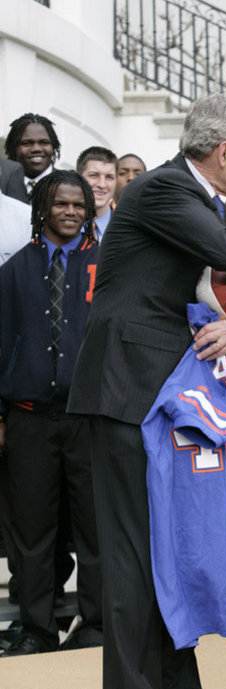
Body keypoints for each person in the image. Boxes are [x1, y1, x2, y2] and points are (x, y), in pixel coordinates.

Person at [67, 93, 226, 689]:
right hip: (126, 392)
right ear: (223, 153)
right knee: (134, 557)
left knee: (176, 547)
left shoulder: (198, 201)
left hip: (169, 400)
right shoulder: (162, 192)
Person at [0, 170, 102, 656]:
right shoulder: (14, 270)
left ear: (89, 210)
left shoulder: (108, 266)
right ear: (43, 207)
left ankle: (97, 624)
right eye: (60, 203)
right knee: (32, 530)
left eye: (78, 205)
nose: (70, 212)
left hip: (90, 419)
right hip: (29, 418)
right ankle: (37, 630)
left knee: (95, 526)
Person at [4, 113, 61, 201]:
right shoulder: (2, 183)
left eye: (44, 142)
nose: (36, 149)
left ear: (53, 146)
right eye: (27, 143)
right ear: (13, 148)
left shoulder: (70, 185)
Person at [76, 146, 117, 242]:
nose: (102, 185)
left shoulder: (126, 229)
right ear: (78, 177)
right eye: (94, 175)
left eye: (109, 177)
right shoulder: (57, 227)